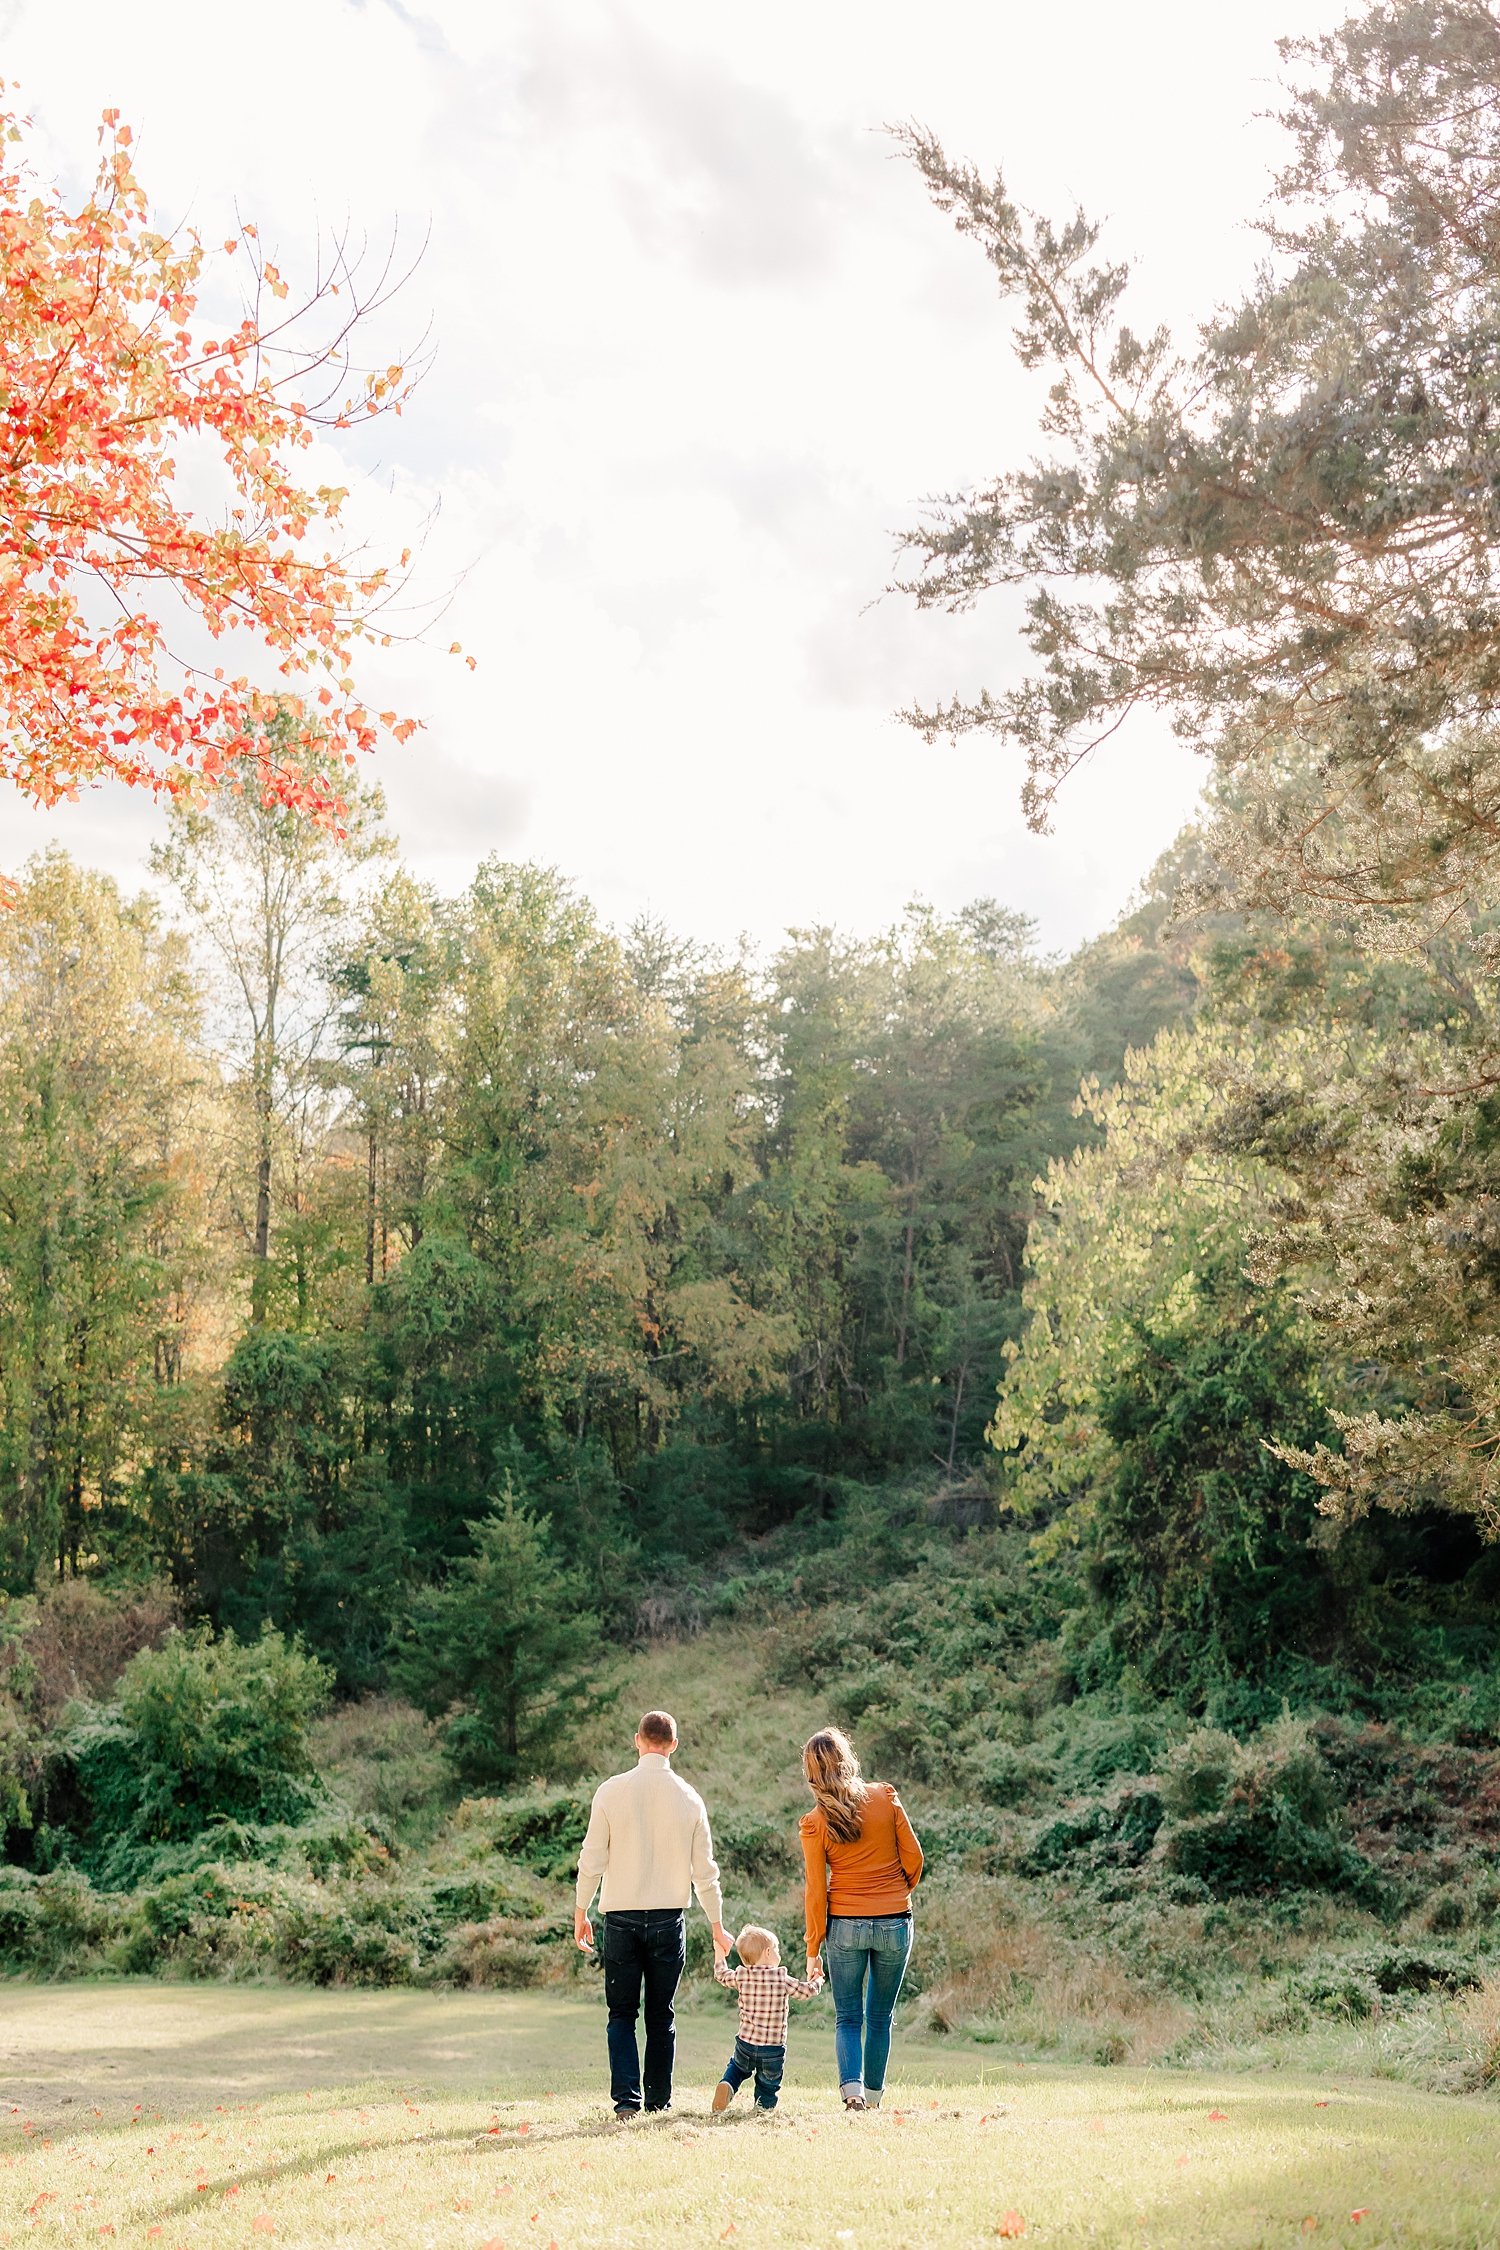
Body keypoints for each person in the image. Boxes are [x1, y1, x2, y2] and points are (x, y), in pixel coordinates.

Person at [574, 1709, 732, 2119]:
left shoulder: (610, 1792)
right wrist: (717, 1925)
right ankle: (659, 2102)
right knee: (662, 2014)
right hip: (667, 1920)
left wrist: (581, 1909)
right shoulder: (689, 1798)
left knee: (622, 2013)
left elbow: (591, 1860)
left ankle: (627, 2102)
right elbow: (705, 1874)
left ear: (637, 1740)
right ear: (673, 1745)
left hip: (621, 1919)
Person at [799, 1725, 923, 2111]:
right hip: (895, 1920)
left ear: (812, 1774)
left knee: (848, 2017)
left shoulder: (815, 1822)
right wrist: (896, 1891)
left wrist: (812, 1948)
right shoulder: (885, 1798)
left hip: (845, 1927)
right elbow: (915, 1858)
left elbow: (816, 1892)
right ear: (847, 1759)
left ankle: (851, 2094)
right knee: (880, 2015)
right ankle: (873, 2098)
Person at [710, 1923, 823, 2115]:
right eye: (777, 1949)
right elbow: (807, 1991)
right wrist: (817, 1978)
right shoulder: (781, 1978)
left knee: (737, 2069)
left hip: (745, 2043)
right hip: (773, 2048)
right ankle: (762, 2110)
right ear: (769, 1952)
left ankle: (727, 2085)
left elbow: (721, 1974)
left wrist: (719, 1951)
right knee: (768, 2084)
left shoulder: (741, 1975)